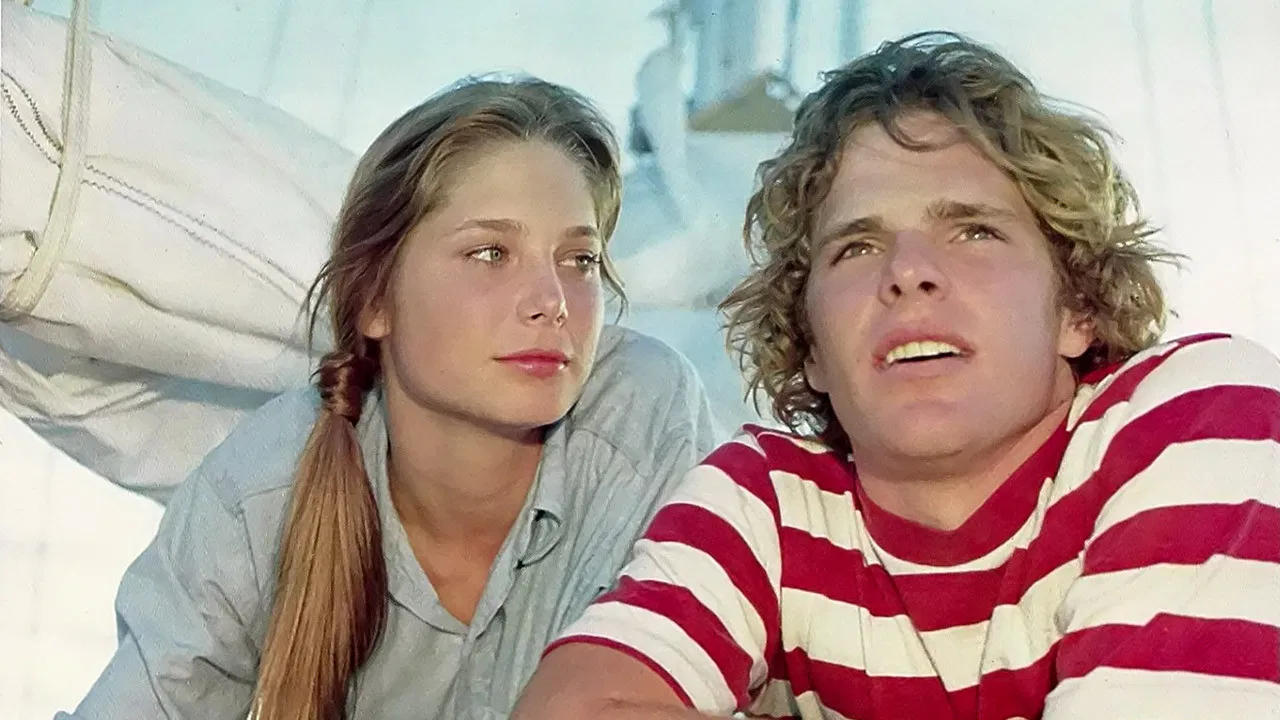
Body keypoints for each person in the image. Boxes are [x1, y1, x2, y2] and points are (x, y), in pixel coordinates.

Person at [513, 31, 1280, 720]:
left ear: (1077, 307)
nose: (909, 272)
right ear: (811, 345)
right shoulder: (768, 502)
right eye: (857, 247)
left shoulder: (1197, 417)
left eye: (973, 231)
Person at [57, 76, 720, 720]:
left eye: (579, 260)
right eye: (491, 253)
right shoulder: (259, 495)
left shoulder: (641, 415)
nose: (552, 301)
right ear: (375, 299)